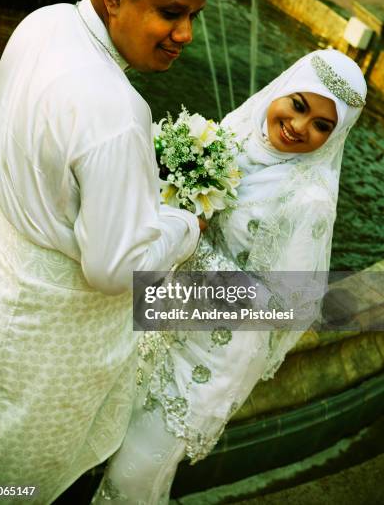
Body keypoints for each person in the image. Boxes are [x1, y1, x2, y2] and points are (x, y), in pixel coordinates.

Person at [0, 0, 230, 504]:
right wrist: (181, 225)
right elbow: (114, 270)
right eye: (171, 13)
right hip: (45, 349)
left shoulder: (44, 22)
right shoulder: (116, 112)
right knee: (15, 488)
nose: (186, 35)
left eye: (194, 16)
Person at [92, 48, 367, 504]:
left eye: (322, 125)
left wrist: (191, 242)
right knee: (100, 443)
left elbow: (288, 307)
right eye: (299, 105)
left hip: (211, 355)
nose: (299, 127)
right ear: (283, 88)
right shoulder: (235, 132)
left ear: (336, 136)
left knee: (134, 475)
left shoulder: (311, 200)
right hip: (160, 313)